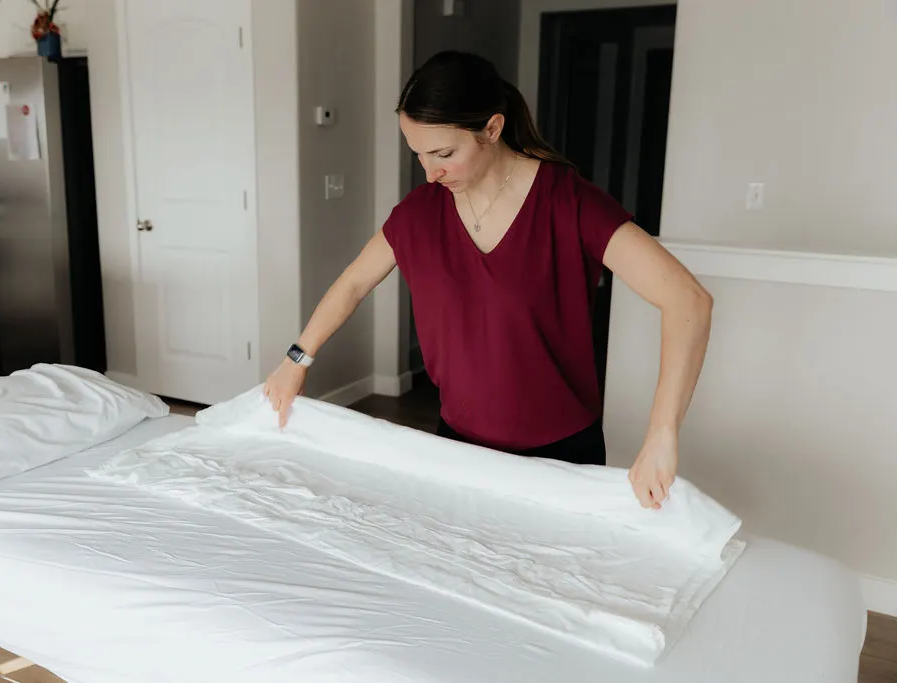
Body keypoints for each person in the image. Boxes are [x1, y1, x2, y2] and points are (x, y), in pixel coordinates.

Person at [264, 51, 713, 510]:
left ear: (493, 129)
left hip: (560, 456)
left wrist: (661, 433)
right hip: (457, 446)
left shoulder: (567, 203)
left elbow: (689, 301)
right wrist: (296, 360)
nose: (429, 172)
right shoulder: (419, 213)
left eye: (444, 154)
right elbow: (353, 283)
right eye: (418, 154)